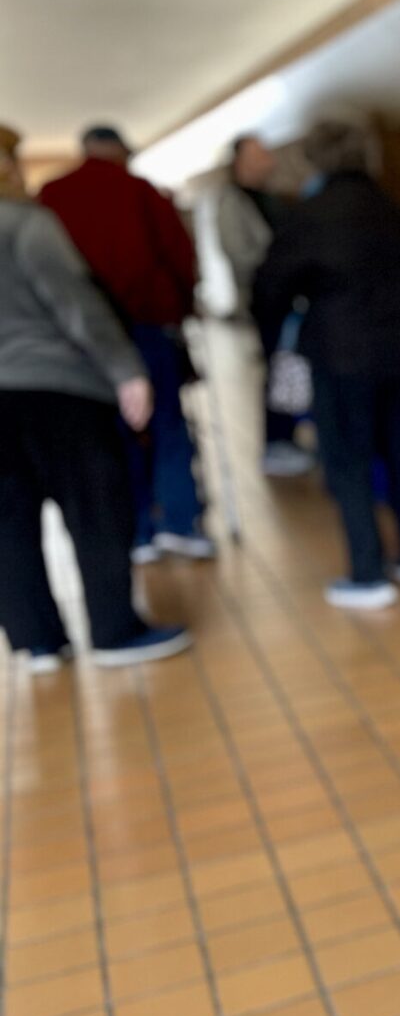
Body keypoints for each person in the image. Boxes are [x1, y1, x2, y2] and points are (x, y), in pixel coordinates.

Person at [0, 124, 192, 670]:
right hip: (56, 388)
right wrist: (126, 370)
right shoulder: (24, 224)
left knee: (8, 521)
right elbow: (75, 303)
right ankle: (113, 631)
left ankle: (37, 642)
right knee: (94, 509)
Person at [253, 120, 400, 610]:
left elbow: (272, 285)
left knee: (348, 460)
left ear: (316, 159)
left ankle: (367, 573)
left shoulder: (309, 215)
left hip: (342, 355)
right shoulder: (391, 208)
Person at [39, 124, 214, 563]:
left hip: (82, 336)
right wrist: (184, 305)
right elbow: (178, 254)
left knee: (112, 432)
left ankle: (136, 532)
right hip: (147, 322)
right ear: (117, 150)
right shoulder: (141, 191)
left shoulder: (52, 196)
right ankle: (179, 522)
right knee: (167, 423)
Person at [213, 134, 312, 478]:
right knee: (276, 367)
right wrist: (279, 263)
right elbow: (240, 253)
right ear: (240, 161)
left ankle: (289, 435)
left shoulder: (270, 198)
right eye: (259, 155)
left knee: (289, 366)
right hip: (267, 298)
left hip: (290, 296)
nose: (268, 160)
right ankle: (276, 443)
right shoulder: (233, 201)